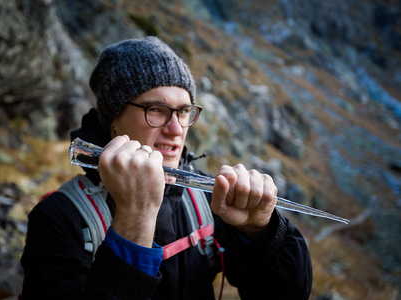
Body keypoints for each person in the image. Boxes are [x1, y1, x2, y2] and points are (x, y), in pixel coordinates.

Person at [21, 36, 312, 299]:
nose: (176, 129)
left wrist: (261, 233)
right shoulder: (59, 220)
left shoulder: (210, 200)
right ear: (113, 121)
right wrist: (135, 217)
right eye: (156, 110)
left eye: (184, 111)